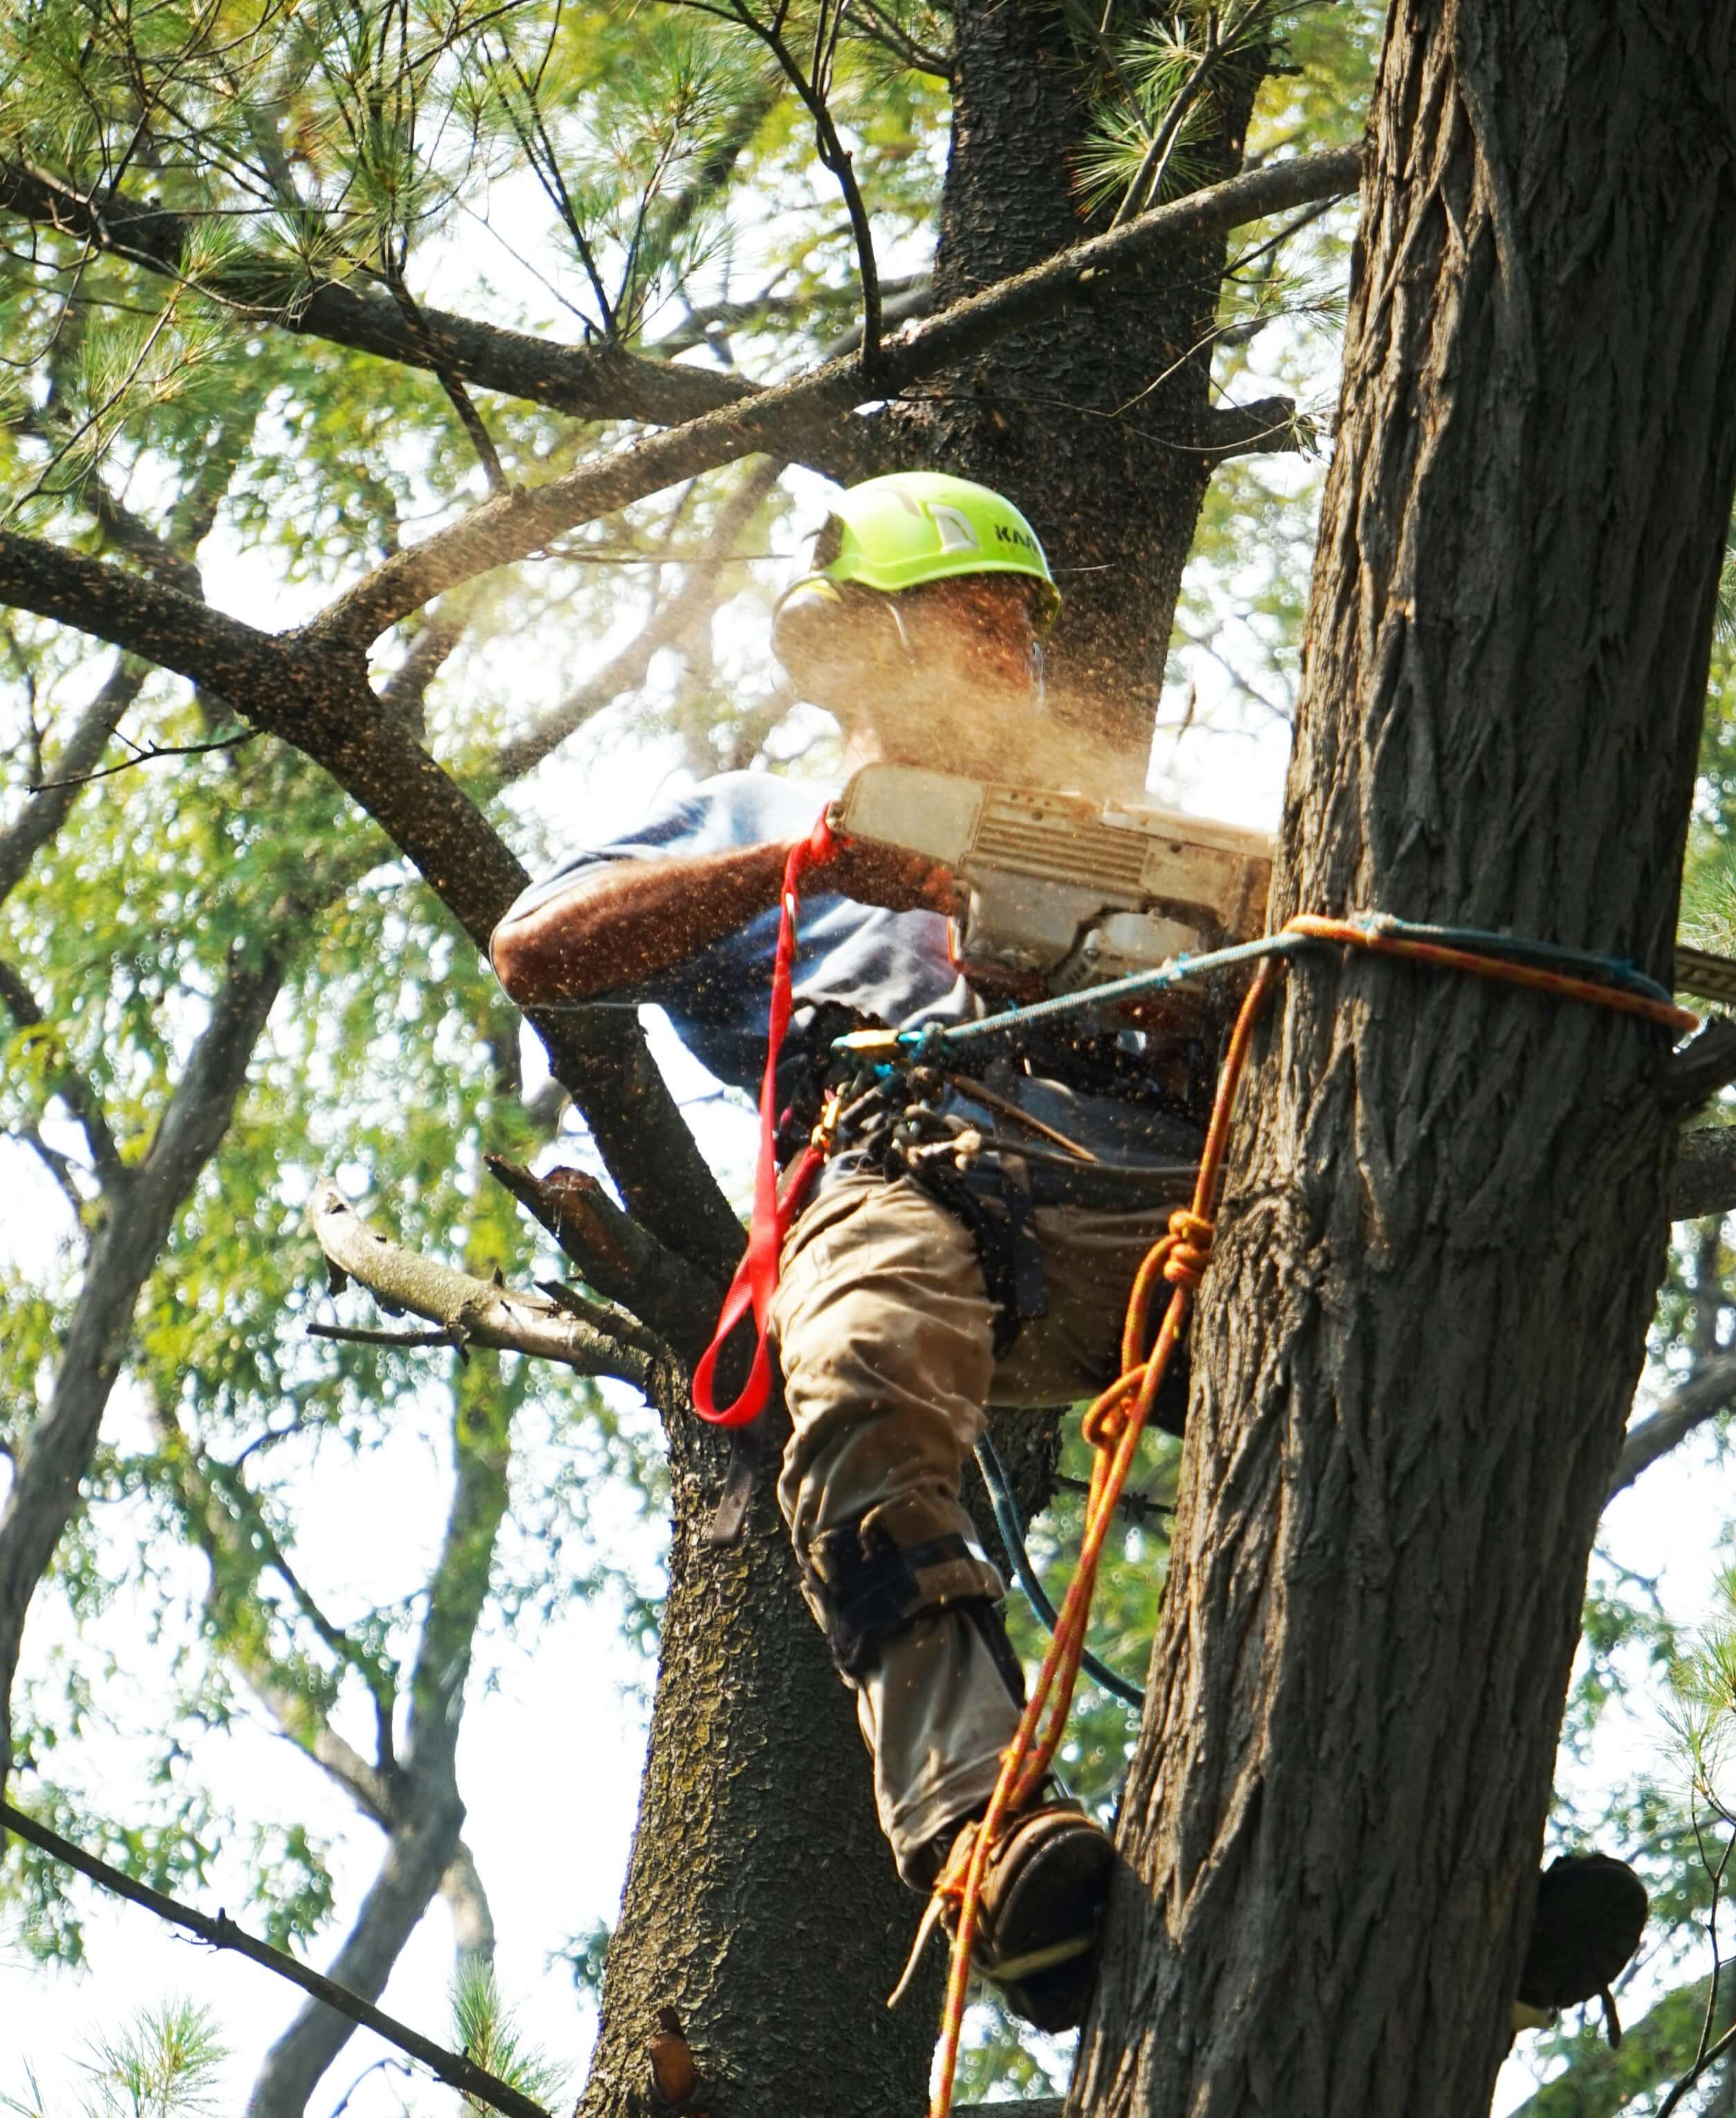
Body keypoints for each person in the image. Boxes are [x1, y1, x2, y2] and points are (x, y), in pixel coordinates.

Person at [489, 471, 1649, 2040]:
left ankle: (1438, 1859)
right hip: (909, 1169)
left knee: (1392, 1378)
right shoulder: (755, 820)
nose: (1009, 660)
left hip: (1159, 1194)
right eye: (973, 623)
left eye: (1022, 632)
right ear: (854, 645)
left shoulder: (1110, 835)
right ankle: (986, 1838)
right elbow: (538, 950)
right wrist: (822, 865)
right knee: (864, 1366)